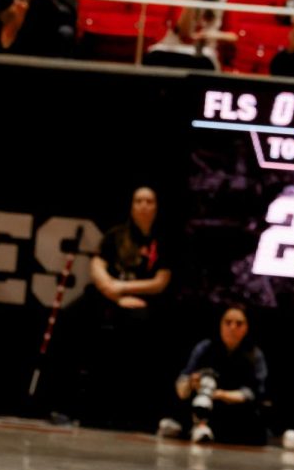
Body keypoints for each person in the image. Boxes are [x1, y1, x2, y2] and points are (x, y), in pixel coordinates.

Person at [77, 187, 174, 428]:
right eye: (138, 201)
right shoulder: (116, 235)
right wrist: (112, 290)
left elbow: (160, 282)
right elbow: (97, 264)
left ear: (156, 207)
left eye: (149, 201)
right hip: (109, 298)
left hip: (142, 303)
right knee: (76, 317)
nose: (143, 205)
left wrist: (124, 288)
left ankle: (129, 413)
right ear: (132, 205)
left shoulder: (162, 241)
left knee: (137, 326)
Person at [158, 304, 268, 445]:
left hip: (234, 410)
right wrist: (191, 383)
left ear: (246, 327)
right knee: (193, 406)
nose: (232, 327)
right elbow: (183, 381)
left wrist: (220, 394)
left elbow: (254, 393)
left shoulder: (254, 355)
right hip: (201, 403)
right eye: (228, 322)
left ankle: (197, 429)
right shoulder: (205, 348)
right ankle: (192, 426)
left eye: (239, 324)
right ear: (220, 324)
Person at [144, 0, 236, 71]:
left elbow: (233, 36)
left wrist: (210, 35)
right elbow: (184, 32)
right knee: (152, 59)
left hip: (204, 53)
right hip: (173, 48)